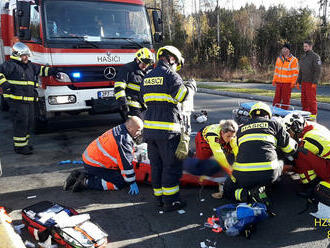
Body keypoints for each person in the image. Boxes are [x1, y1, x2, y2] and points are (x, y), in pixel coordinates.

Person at [140, 45, 197, 212]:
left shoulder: (147, 76)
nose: (175, 66)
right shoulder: (171, 75)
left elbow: (145, 102)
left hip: (150, 131)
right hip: (168, 132)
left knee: (156, 167)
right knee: (170, 167)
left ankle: (159, 198)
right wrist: (191, 87)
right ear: (172, 59)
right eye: (176, 63)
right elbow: (182, 96)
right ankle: (171, 201)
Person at [223, 102, 297, 208]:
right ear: (268, 115)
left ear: (251, 115)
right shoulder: (274, 124)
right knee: (280, 162)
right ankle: (266, 187)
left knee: (229, 190)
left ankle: (247, 194)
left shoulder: (241, 129)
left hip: (243, 176)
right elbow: (289, 149)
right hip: (268, 175)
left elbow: (244, 148)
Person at [0, 42, 59, 155]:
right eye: (23, 55)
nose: (26, 57)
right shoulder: (10, 65)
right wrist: (5, 84)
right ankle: (19, 147)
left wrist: (53, 71)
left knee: (29, 122)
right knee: (21, 122)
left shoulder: (30, 66)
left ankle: (24, 144)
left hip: (29, 100)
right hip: (16, 101)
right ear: (17, 55)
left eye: (27, 55)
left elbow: (42, 70)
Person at [63, 116, 144, 194]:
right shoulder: (124, 140)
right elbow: (126, 164)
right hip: (95, 164)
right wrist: (132, 181)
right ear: (130, 128)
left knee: (117, 174)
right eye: (138, 130)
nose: (139, 133)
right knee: (119, 182)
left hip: (90, 159)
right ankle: (85, 182)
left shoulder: (121, 128)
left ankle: (78, 175)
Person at [283, 113, 329, 206]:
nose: (289, 136)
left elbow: (299, 161)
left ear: (296, 127)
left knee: (300, 153)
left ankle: (310, 186)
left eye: (288, 132)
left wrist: (290, 168)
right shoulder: (314, 127)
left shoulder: (308, 140)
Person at [114, 47, 154, 120]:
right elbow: (119, 88)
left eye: (147, 64)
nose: (145, 66)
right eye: (144, 63)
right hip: (131, 107)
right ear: (137, 59)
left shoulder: (147, 71)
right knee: (138, 128)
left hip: (144, 107)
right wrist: (124, 106)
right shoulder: (127, 69)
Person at [297, 40, 322, 121]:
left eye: (306, 46)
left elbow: (317, 70)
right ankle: (305, 113)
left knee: (311, 99)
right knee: (303, 99)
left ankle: (313, 114)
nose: (305, 48)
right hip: (304, 82)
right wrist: (298, 81)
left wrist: (315, 82)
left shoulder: (315, 57)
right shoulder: (303, 57)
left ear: (310, 47)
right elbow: (301, 71)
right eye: (304, 46)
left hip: (311, 82)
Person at [272, 43, 299, 110]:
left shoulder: (293, 60)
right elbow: (276, 71)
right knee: (276, 98)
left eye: (285, 48)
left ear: (288, 50)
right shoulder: (279, 59)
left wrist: (293, 82)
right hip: (279, 83)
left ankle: (284, 113)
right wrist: (274, 80)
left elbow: (295, 72)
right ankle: (275, 111)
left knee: (285, 99)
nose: (283, 50)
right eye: (283, 48)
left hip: (287, 83)